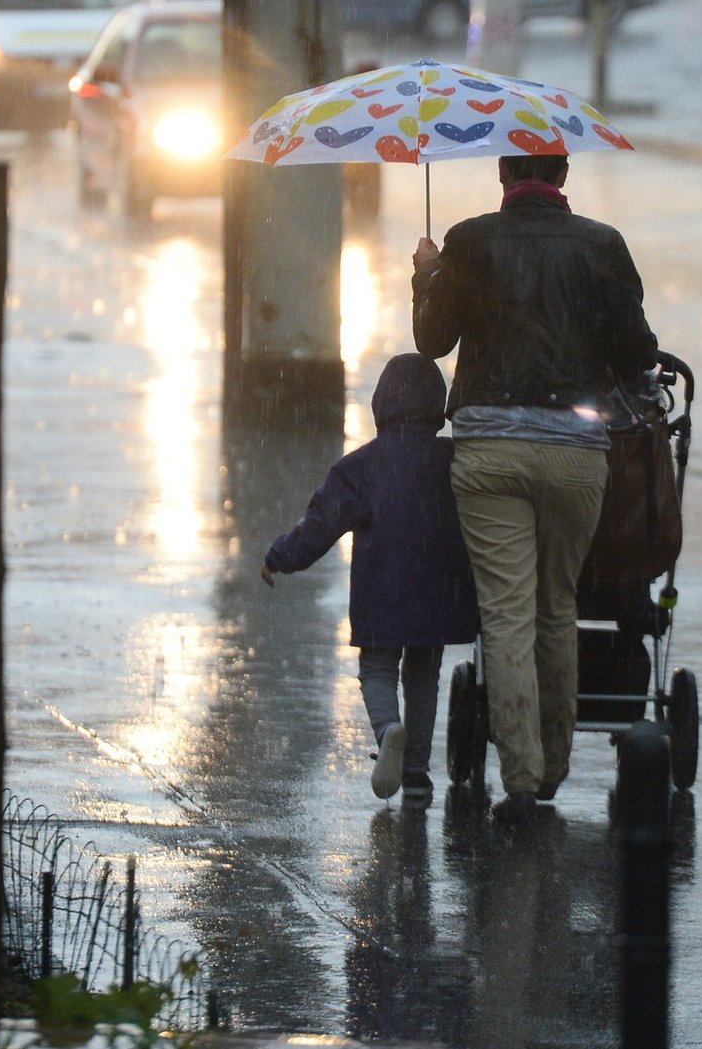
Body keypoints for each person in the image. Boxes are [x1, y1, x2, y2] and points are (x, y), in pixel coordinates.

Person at [412, 153, 657, 829]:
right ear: (563, 172)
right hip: (576, 455)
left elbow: (432, 341)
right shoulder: (604, 246)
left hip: (489, 451)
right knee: (559, 603)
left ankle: (519, 783)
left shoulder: (468, 240)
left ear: (502, 174)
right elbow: (637, 354)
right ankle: (553, 765)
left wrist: (426, 278)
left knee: (507, 612)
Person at [261, 353, 479, 809]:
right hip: (440, 592)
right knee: (423, 676)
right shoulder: (455, 461)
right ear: (437, 404)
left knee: (378, 670)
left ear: (381, 403)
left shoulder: (362, 466)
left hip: (384, 592)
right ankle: (417, 780)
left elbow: (320, 526)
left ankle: (387, 730)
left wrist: (280, 557)